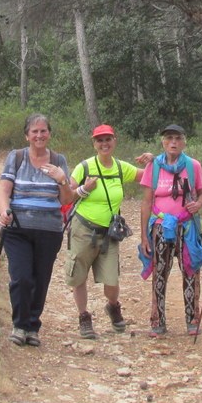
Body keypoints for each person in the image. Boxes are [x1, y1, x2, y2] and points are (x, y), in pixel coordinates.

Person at [65, 124, 152, 339]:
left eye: (108, 139)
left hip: (109, 234)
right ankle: (84, 317)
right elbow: (67, 196)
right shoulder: (84, 167)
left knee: (112, 280)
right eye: (99, 140)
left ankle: (113, 306)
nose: (104, 144)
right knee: (79, 276)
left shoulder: (121, 168)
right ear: (94, 144)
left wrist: (154, 160)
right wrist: (84, 189)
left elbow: (147, 177)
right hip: (83, 229)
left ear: (115, 141)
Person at [0, 113, 74, 347]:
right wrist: (4, 211)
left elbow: (66, 200)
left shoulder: (59, 160)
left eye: (43, 131)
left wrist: (62, 180)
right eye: (34, 131)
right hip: (18, 227)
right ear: (27, 135)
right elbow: (4, 189)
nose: (39, 135)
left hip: (49, 230)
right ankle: (19, 325)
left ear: (49, 134)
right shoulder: (16, 157)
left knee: (41, 279)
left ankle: (33, 326)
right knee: (21, 277)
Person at [139, 124, 202, 337]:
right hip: (161, 227)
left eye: (177, 138)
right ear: (163, 142)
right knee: (160, 272)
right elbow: (147, 201)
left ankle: (192, 319)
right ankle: (157, 320)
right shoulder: (154, 166)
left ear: (184, 141)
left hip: (186, 227)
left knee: (190, 270)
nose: (173, 142)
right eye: (169, 138)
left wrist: (198, 205)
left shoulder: (193, 165)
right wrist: (144, 236)